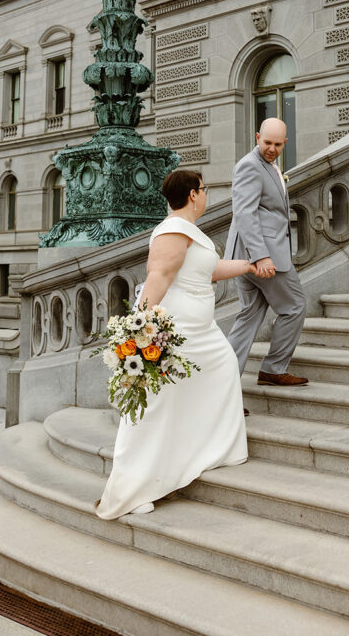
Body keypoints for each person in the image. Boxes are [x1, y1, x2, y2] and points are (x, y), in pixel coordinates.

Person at [96, 169, 258, 520]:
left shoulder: (189, 231)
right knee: (156, 402)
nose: (206, 194)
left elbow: (207, 270)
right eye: (204, 188)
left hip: (205, 332)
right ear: (193, 194)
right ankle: (132, 487)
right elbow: (159, 276)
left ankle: (214, 449)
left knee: (224, 370)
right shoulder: (172, 230)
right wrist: (140, 331)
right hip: (177, 330)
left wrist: (248, 265)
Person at [224, 118, 308, 387]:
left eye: (277, 144)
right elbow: (245, 214)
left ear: (286, 142)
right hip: (261, 258)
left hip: (246, 256)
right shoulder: (250, 165)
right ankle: (273, 368)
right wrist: (261, 256)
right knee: (294, 306)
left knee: (248, 318)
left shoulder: (269, 164)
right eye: (266, 142)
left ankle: (222, 387)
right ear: (257, 137)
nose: (271, 148)